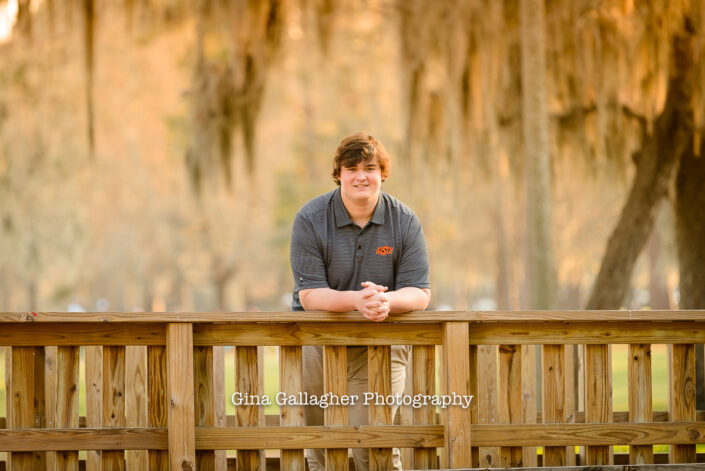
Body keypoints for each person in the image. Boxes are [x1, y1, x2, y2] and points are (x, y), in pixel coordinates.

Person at [289, 132, 431, 471]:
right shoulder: (310, 218)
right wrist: (358, 300)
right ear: (339, 174)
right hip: (320, 343)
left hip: (382, 342)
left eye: (370, 167)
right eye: (351, 168)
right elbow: (309, 296)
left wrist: (384, 302)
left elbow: (420, 292)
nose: (361, 176)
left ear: (382, 172)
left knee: (374, 443)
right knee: (320, 446)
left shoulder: (405, 220)